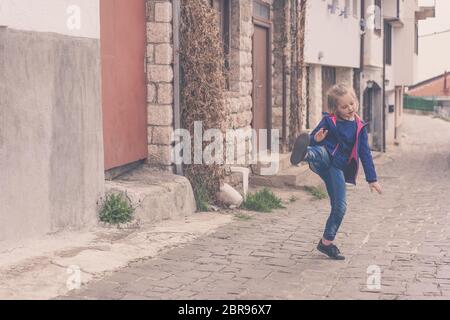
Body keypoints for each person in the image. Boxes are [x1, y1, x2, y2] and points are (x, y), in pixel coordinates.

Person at [290, 84, 382, 260]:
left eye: (352, 104)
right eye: (344, 106)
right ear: (335, 109)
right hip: (322, 158)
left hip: (337, 168)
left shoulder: (359, 127)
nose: (350, 109)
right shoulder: (329, 121)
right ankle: (304, 155)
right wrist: (313, 139)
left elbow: (365, 153)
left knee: (340, 207)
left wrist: (372, 179)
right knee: (321, 151)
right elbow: (312, 138)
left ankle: (326, 243)